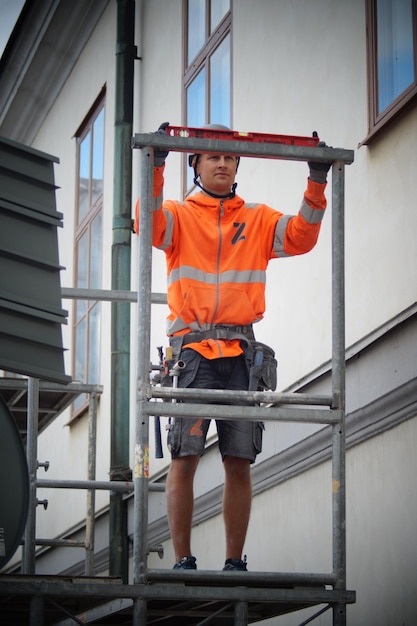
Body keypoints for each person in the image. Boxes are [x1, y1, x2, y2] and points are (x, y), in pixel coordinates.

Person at [135, 122, 331, 571]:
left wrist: (316, 182)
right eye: (212, 156)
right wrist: (156, 166)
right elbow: (146, 227)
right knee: (184, 458)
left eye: (229, 156)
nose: (222, 162)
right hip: (192, 356)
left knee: (239, 461)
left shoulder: (257, 218)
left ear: (238, 164)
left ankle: (233, 561)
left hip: (241, 356)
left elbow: (302, 236)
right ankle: (183, 559)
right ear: (197, 165)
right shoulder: (178, 214)